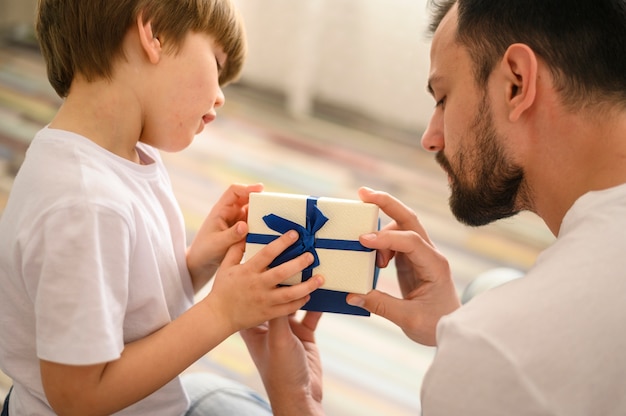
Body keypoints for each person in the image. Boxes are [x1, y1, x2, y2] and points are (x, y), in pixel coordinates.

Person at [241, 0, 626, 414]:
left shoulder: (496, 350)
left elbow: (505, 357)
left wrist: (295, 402)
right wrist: (451, 326)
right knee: (490, 287)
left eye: (443, 97)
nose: (431, 137)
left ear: (516, 82)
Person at [0, 0, 324, 414]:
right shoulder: (84, 203)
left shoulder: (121, 158)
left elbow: (128, 311)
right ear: (154, 33)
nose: (221, 97)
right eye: (217, 64)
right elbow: (78, 397)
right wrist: (222, 313)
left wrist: (193, 267)